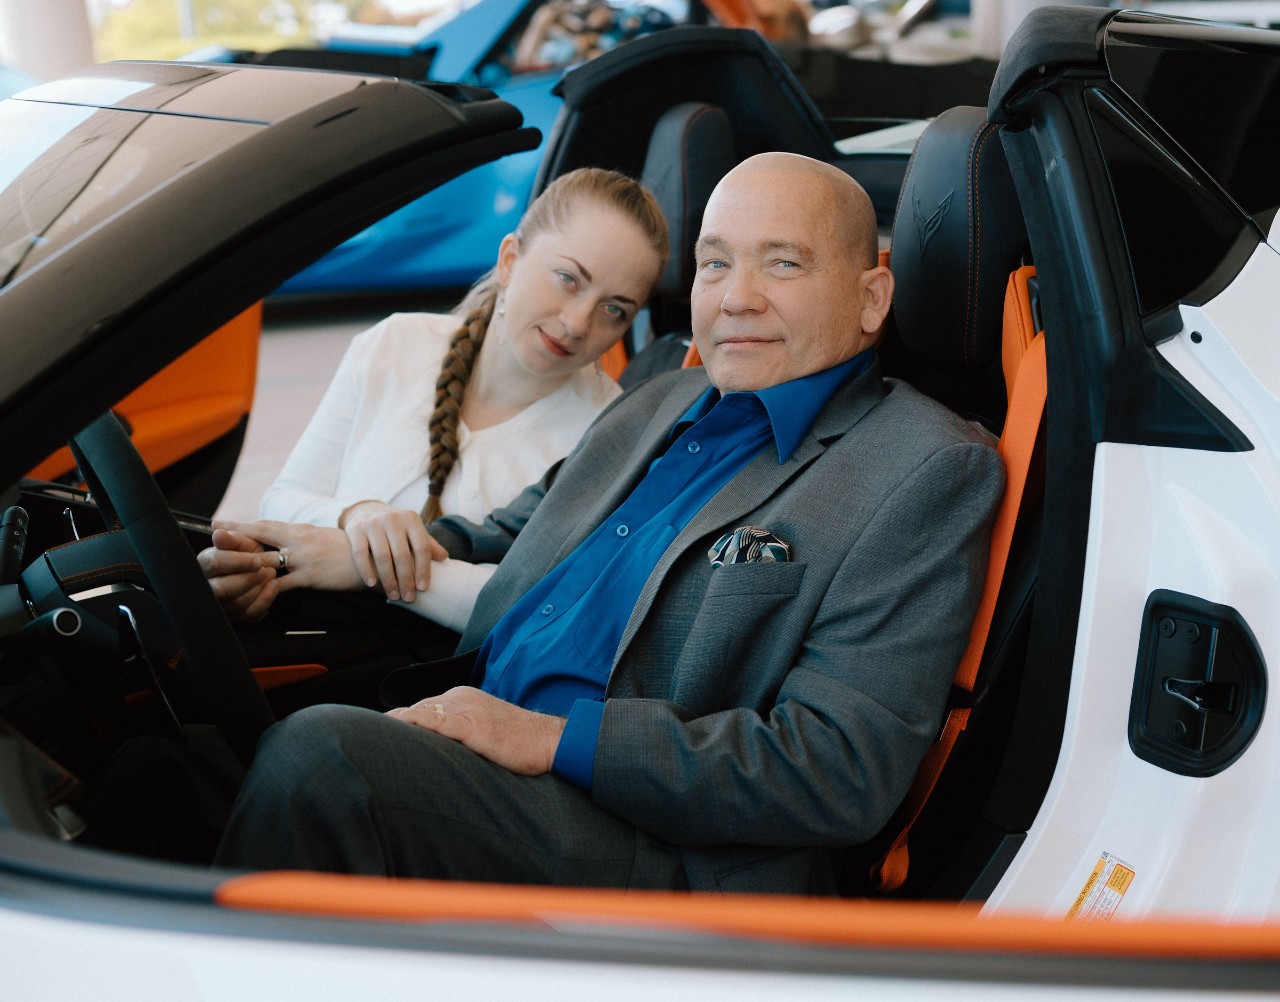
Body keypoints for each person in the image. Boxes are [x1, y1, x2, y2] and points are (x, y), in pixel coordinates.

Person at [212, 152, 1005, 896]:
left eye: (783, 262)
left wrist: (554, 740)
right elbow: (508, 529)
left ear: (871, 298)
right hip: (477, 722)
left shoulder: (925, 467)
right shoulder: (660, 400)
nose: (736, 297)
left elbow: (838, 770)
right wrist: (352, 545)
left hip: (654, 841)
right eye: (717, 261)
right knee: (178, 751)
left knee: (322, 764)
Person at [206, 167, 668, 637]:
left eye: (614, 310)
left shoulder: (609, 434)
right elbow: (282, 500)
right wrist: (359, 516)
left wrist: (364, 562)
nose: (576, 323)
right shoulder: (393, 343)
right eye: (568, 279)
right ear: (510, 260)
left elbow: (551, 612)